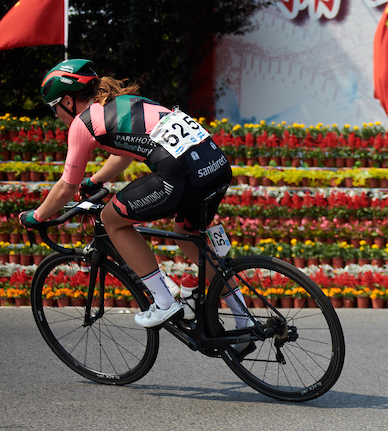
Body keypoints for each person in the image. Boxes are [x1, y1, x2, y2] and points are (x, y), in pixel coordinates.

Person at [21, 58, 237, 328]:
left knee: (112, 220)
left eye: (54, 108)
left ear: (67, 100)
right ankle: (243, 319)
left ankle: (164, 301)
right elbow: (122, 156)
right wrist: (95, 180)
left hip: (181, 173)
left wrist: (38, 216)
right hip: (215, 165)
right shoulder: (127, 101)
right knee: (187, 235)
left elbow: (66, 187)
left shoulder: (82, 123)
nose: (56, 115)